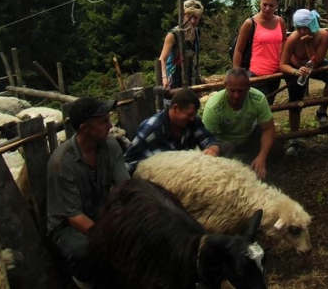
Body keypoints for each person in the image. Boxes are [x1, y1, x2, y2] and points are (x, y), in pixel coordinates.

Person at [47, 97, 130, 288]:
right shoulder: (62, 162)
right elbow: (74, 216)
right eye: (103, 122)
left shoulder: (110, 146)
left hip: (99, 212)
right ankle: (83, 283)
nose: (110, 125)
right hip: (67, 225)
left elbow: (125, 188)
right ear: (84, 129)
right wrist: (108, 239)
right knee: (84, 250)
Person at [279, 9, 328, 156]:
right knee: (295, 101)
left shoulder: (323, 35)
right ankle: (294, 139)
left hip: (314, 64)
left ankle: (322, 111)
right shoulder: (293, 38)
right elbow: (283, 64)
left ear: (312, 24)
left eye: (304, 27)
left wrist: (307, 44)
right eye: (298, 28)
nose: (301, 31)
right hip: (296, 68)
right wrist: (295, 72)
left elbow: (316, 62)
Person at [201, 67, 280, 179]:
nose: (236, 95)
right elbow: (207, 138)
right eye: (232, 91)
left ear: (248, 87)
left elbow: (268, 129)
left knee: (276, 148)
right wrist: (214, 151)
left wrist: (262, 157)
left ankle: (255, 166)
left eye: (240, 91)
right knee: (226, 148)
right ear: (226, 86)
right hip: (224, 145)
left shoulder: (258, 98)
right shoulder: (213, 106)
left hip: (247, 139)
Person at [123, 88, 222, 173]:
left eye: (194, 115)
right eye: (189, 114)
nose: (192, 118)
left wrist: (213, 149)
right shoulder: (150, 131)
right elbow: (128, 162)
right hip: (155, 179)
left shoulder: (192, 121)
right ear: (175, 108)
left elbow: (207, 138)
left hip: (180, 172)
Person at [233, 0, 287, 104]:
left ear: (277, 5)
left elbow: (283, 40)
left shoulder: (280, 22)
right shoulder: (250, 23)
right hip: (256, 74)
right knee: (258, 108)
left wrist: (281, 60)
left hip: (275, 73)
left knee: (268, 106)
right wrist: (237, 74)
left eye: (271, 6)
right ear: (260, 3)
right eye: (265, 4)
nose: (267, 8)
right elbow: (238, 50)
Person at [159, 0, 204, 89]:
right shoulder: (173, 35)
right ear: (183, 16)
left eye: (195, 18)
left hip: (191, 79)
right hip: (174, 80)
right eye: (189, 17)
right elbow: (162, 59)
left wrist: (198, 75)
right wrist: (164, 78)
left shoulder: (196, 32)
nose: (192, 21)